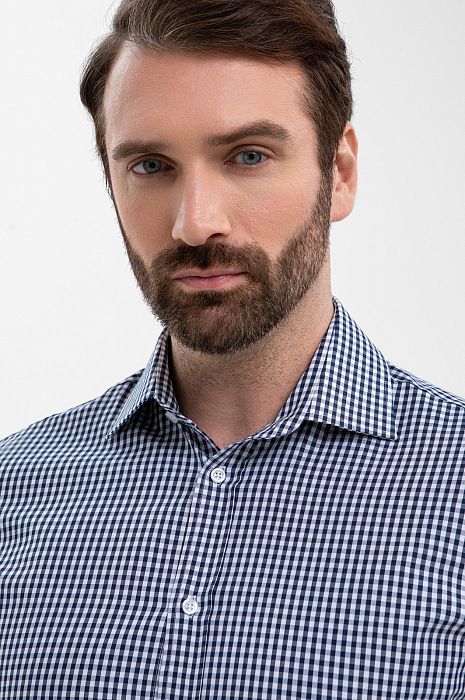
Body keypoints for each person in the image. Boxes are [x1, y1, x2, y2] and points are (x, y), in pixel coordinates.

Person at [1, 0, 464, 697]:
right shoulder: (15, 488)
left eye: (248, 156)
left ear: (338, 173)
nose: (195, 223)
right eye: (151, 165)